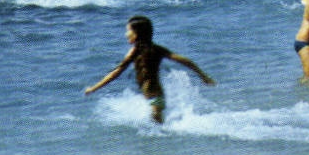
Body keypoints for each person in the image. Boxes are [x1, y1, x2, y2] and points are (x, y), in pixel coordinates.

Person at [83, 14, 217, 124]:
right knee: (158, 128)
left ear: (137, 34)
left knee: (159, 130)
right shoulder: (156, 49)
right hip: (153, 97)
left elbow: (116, 73)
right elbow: (184, 60)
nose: (126, 34)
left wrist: (94, 88)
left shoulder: (136, 52)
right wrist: (203, 76)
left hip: (155, 98)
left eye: (128, 31)